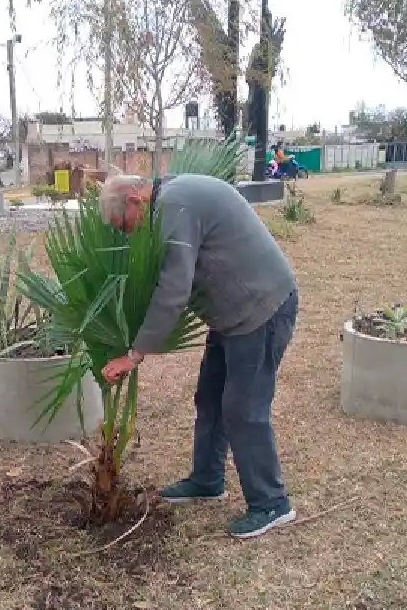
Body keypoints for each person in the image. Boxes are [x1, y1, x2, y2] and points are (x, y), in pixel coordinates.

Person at [98, 172, 299, 540]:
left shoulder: (175, 204)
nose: (128, 236)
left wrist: (135, 353)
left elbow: (174, 288)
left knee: (243, 410)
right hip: (231, 317)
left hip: (261, 309)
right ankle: (207, 480)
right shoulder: (169, 198)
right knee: (209, 398)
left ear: (133, 200)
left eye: (124, 226)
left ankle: (272, 503)